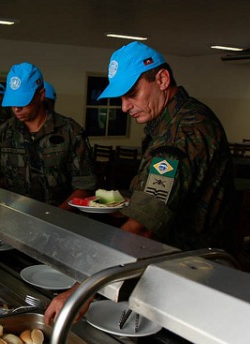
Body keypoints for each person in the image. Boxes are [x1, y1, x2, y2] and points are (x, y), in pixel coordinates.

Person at [45, 41, 234, 325]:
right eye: (121, 97)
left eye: (131, 94)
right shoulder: (169, 122)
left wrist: (82, 289)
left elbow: (143, 227)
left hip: (194, 273)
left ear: (162, 79)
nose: (124, 108)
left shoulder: (183, 131)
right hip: (173, 263)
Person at [0, 62, 96, 207]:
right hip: (14, 219)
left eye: (22, 102)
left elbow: (85, 186)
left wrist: (55, 217)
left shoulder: (70, 132)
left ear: (41, 95)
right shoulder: (3, 133)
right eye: (12, 102)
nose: (16, 109)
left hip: (61, 219)